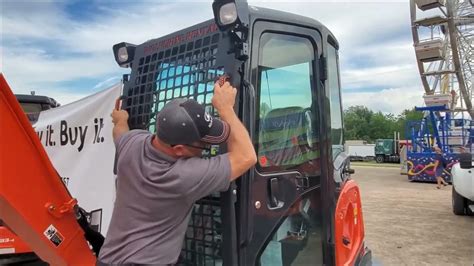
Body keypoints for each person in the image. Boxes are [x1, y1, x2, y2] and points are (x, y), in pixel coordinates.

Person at [97, 80, 257, 265]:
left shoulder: (132, 144)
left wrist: (121, 119)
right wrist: (225, 108)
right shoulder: (183, 176)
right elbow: (246, 156)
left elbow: (120, 133)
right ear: (179, 149)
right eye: (204, 145)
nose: (207, 149)